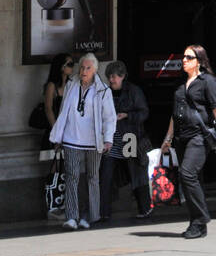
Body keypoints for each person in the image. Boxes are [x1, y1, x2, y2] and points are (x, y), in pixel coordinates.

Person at [160, 43, 216, 239]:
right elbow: (175, 115)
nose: (184, 60)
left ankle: (201, 218)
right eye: (183, 57)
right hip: (182, 137)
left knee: (187, 174)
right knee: (193, 180)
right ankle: (196, 224)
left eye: (189, 57)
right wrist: (168, 138)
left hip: (199, 136)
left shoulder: (208, 81)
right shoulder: (181, 85)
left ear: (198, 61)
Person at [49, 53, 115, 231]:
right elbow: (63, 112)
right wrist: (59, 137)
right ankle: (72, 216)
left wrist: (108, 139)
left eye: (88, 68)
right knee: (72, 177)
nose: (83, 71)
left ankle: (90, 216)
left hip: (93, 142)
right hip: (72, 140)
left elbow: (109, 117)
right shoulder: (72, 85)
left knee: (93, 177)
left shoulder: (103, 91)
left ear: (95, 70)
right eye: (82, 67)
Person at [99, 60, 151, 220]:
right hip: (111, 139)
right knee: (106, 175)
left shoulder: (134, 91)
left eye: (114, 77)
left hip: (129, 137)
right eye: (109, 77)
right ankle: (104, 213)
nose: (111, 80)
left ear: (122, 76)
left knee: (136, 172)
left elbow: (144, 113)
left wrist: (127, 115)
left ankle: (145, 208)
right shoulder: (105, 92)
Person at [40, 54, 75, 150]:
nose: (73, 67)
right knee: (56, 161)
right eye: (70, 64)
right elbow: (48, 109)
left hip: (70, 130)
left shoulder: (71, 84)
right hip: (55, 127)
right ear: (62, 66)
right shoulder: (51, 86)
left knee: (69, 162)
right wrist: (57, 132)